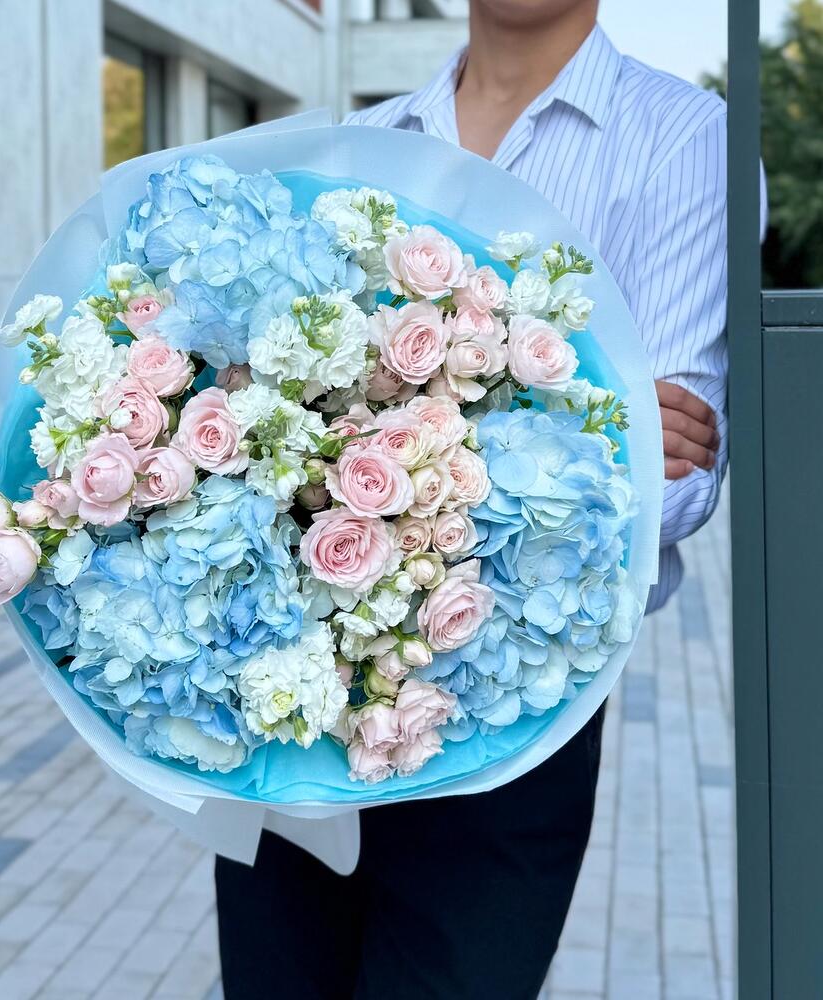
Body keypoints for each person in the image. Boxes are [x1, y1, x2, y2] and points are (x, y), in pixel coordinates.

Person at [215, 2, 728, 996]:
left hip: (514, 713)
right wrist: (577, 422)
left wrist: (375, 437)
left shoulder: (681, 137)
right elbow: (271, 402)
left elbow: (669, 487)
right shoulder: (370, 141)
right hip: (300, 706)